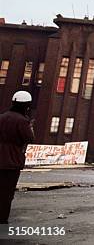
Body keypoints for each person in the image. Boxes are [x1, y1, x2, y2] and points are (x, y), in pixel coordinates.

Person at [0, 91, 35, 224]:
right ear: (26, 105)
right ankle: (2, 219)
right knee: (6, 193)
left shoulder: (1, 117)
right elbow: (29, 138)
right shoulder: (22, 121)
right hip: (12, 161)